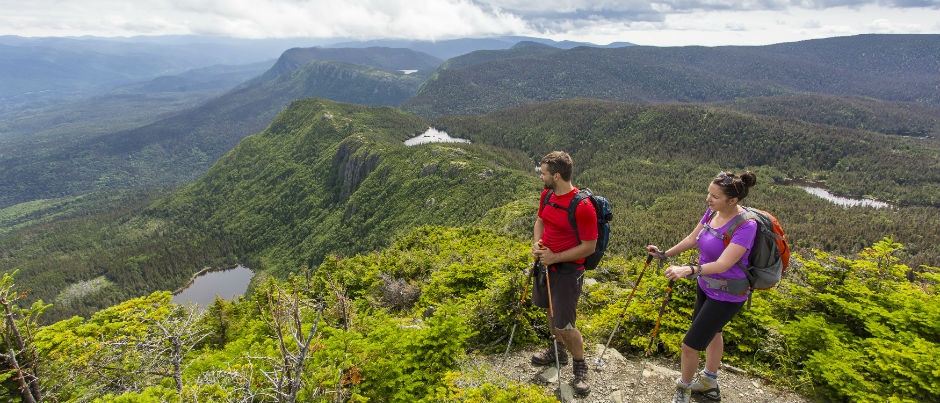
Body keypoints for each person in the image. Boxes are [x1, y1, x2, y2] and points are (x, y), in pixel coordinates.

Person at [647, 170, 759, 403]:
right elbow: (692, 239)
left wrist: (689, 269)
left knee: (689, 345)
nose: (708, 199)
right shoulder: (712, 212)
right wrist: (664, 254)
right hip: (707, 286)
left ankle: (684, 389)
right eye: (709, 193)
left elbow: (724, 263)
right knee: (713, 333)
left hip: (728, 294)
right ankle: (709, 382)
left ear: (733, 200)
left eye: (715, 196)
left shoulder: (746, 225)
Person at [530, 151, 597, 396]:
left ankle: (580, 366)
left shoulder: (582, 206)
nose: (541, 177)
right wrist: (537, 244)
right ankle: (557, 350)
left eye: (544, 173)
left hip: (568, 271)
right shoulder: (547, 195)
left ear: (556, 176)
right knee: (550, 310)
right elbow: (540, 221)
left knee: (566, 324)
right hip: (546, 266)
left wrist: (555, 257)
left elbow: (589, 246)